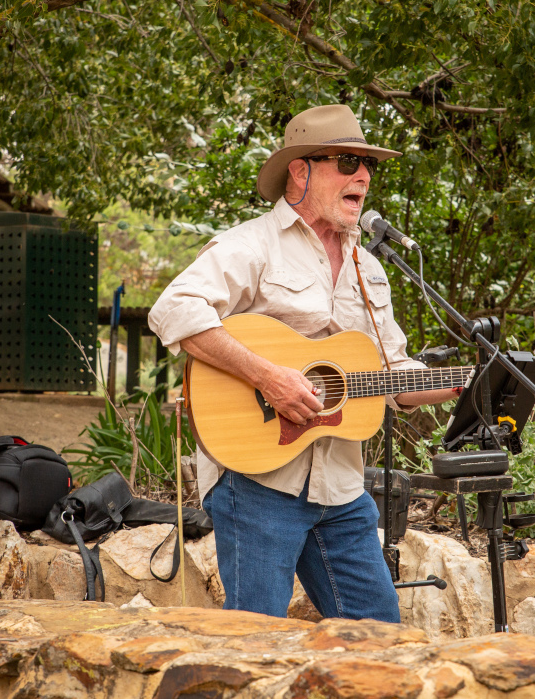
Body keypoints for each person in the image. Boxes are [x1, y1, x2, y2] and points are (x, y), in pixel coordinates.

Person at [148, 104, 457, 621]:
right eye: (347, 162)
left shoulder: (371, 269)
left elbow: (396, 377)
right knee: (254, 643)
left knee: (379, 641)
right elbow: (174, 310)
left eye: (368, 167)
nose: (363, 175)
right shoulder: (252, 245)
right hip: (257, 483)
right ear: (300, 170)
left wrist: (462, 384)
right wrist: (268, 378)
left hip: (341, 487)